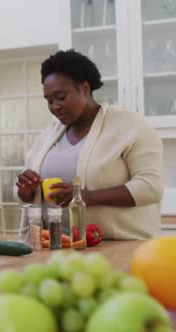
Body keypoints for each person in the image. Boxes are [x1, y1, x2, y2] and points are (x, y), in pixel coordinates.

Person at [16, 49, 163, 239]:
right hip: (57, 247)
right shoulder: (47, 135)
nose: (54, 106)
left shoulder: (131, 126)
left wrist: (86, 197)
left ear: (85, 88)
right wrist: (26, 190)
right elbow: (24, 195)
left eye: (61, 97)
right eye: (49, 100)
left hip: (119, 246)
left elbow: (151, 187)